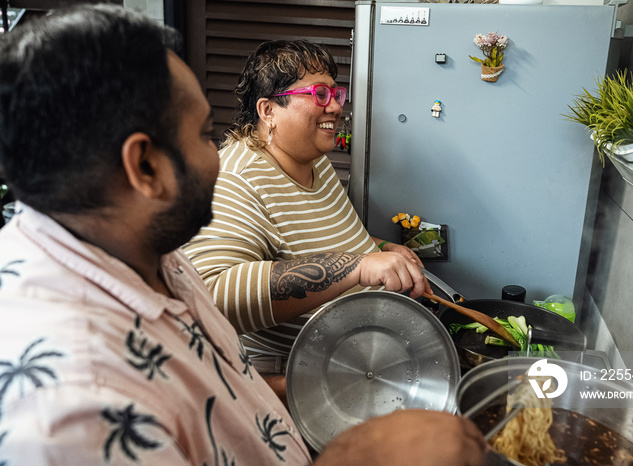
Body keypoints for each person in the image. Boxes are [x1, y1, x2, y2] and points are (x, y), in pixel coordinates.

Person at [0, 5, 486, 465]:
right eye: (203, 134)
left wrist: (336, 385)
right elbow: (225, 290)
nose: (219, 158)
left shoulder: (151, 256)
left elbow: (221, 377)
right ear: (144, 166)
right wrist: (356, 454)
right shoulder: (75, 402)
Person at [183, 40, 431, 381]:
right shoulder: (236, 178)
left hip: (356, 357)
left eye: (335, 94)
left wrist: (380, 248)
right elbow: (212, 293)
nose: (334, 107)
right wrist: (358, 267)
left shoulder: (313, 161)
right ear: (268, 110)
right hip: (296, 379)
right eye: (319, 94)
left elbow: (316, 239)